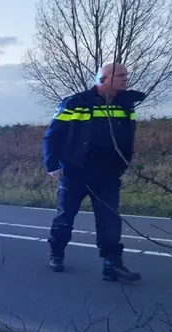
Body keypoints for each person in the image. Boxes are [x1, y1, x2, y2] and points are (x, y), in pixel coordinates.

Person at [43, 62, 144, 281]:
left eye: (126, 75)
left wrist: (124, 162)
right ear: (102, 80)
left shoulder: (126, 105)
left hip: (108, 174)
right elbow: (52, 135)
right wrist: (52, 165)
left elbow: (129, 137)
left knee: (110, 220)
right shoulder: (75, 103)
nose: (125, 79)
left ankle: (112, 264)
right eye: (119, 75)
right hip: (75, 172)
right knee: (65, 218)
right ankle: (57, 252)